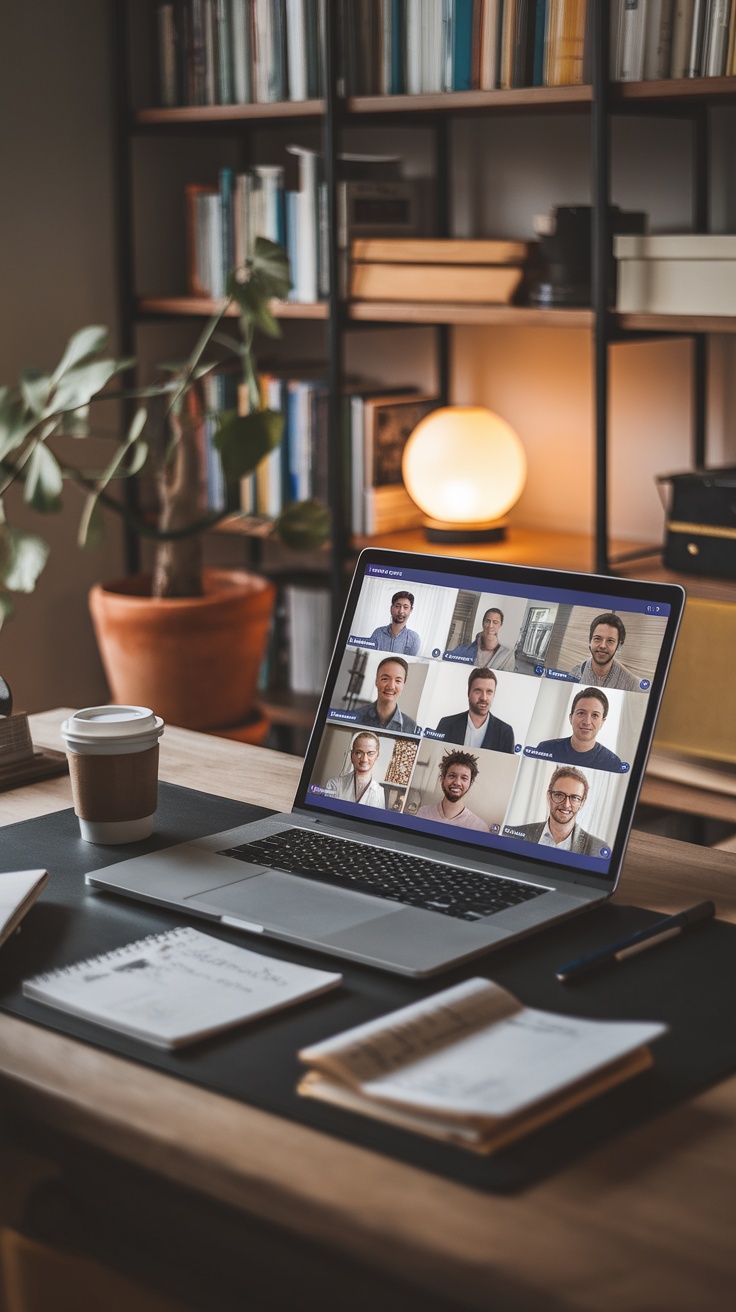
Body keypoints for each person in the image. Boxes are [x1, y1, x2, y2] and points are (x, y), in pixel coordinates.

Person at [508, 766, 607, 856]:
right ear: (548, 796)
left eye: (574, 798)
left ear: (582, 803)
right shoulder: (513, 835)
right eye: (559, 795)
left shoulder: (598, 849)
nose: (566, 805)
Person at [535, 688, 624, 772]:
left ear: (602, 722)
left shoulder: (613, 763)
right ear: (571, 718)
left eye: (595, 715)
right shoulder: (545, 749)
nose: (587, 722)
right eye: (581, 713)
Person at [435, 668, 514, 753]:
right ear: (468, 693)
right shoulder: (446, 724)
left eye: (489, 692)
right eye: (478, 691)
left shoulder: (505, 732)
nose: (484, 698)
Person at [416, 750, 490, 831]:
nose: (457, 783)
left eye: (464, 778)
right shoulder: (423, 813)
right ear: (442, 779)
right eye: (452, 776)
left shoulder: (479, 827)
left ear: (470, 784)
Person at [568, 612, 639, 692]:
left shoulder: (631, 684)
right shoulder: (575, 674)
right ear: (590, 641)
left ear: (618, 646)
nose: (603, 646)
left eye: (610, 641)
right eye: (597, 638)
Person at [353, 656, 419, 734]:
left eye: (398, 681)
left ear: (403, 685)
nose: (391, 686)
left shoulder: (411, 728)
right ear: (376, 681)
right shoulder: (356, 716)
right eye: (385, 679)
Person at [324, 731, 385, 807]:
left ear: (377, 755)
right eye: (359, 753)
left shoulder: (379, 792)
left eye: (370, 754)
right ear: (352, 755)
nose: (364, 759)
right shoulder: (335, 785)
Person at [449, 606, 515, 671]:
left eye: (495, 622)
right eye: (487, 621)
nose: (490, 626)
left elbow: (507, 679)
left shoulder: (507, 654)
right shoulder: (466, 649)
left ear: (500, 624)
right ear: (483, 623)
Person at [368, 590, 421, 656]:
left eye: (405, 607)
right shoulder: (378, 633)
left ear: (411, 610)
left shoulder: (414, 638)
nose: (401, 611)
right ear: (391, 608)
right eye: (397, 606)